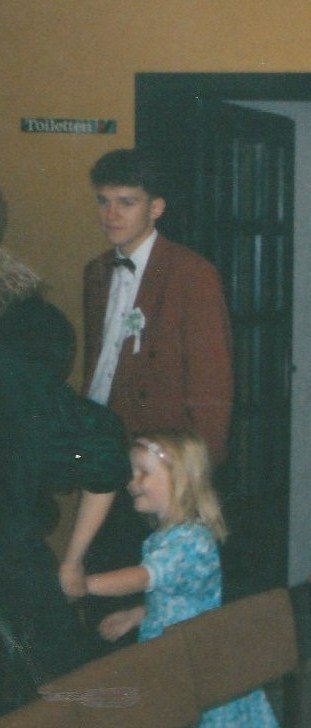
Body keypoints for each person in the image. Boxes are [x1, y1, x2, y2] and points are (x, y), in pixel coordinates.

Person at [79, 148, 234, 641]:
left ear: (156, 207)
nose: (111, 214)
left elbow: (212, 388)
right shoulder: (96, 272)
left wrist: (194, 478)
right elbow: (102, 367)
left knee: (156, 602)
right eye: (103, 201)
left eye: (126, 202)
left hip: (161, 468)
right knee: (104, 605)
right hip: (104, 455)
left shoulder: (191, 274)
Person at [0, 244, 131, 714]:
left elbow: (101, 446)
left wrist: (74, 560)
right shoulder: (25, 348)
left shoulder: (15, 362)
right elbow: (101, 446)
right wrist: (72, 561)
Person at [84, 431, 277, 727]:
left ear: (180, 479)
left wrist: (86, 584)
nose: (132, 482)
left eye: (143, 472)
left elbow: (142, 578)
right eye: (132, 472)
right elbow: (178, 595)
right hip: (178, 651)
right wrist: (136, 615)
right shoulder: (166, 537)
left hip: (195, 659)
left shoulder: (189, 539)